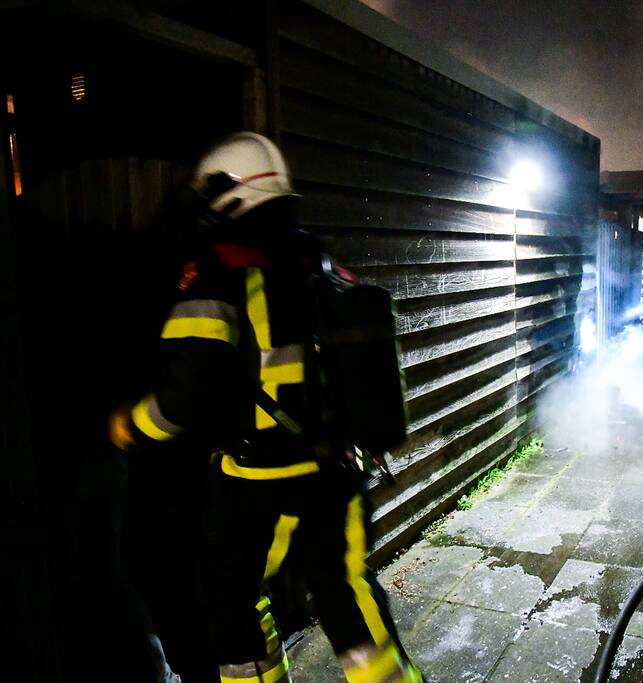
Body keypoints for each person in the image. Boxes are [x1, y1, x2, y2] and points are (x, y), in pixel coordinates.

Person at [108, 132, 422, 683]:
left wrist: (128, 428)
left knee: (231, 599)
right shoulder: (319, 262)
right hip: (334, 471)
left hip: (254, 480)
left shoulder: (213, 273)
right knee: (345, 593)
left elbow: (186, 398)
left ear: (227, 194)